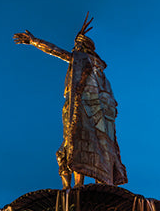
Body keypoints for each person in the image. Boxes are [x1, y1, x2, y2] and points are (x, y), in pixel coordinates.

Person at [14, 15, 128, 188]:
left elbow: (56, 51)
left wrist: (34, 41)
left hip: (82, 109)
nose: (75, 49)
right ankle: (77, 188)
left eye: (78, 46)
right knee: (71, 149)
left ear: (84, 48)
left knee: (77, 145)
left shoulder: (84, 61)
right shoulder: (98, 72)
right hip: (80, 108)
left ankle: (77, 188)